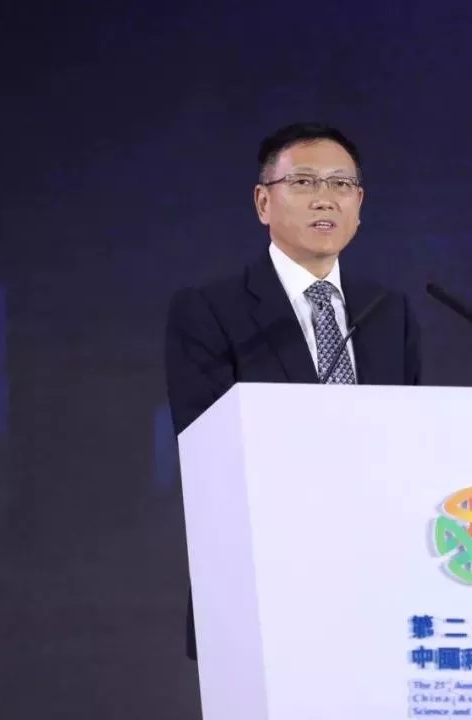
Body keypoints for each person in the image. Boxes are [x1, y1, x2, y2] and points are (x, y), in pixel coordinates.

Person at [164, 122, 423, 659]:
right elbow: (209, 449)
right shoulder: (210, 310)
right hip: (263, 581)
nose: (325, 198)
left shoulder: (388, 311)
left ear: (359, 204)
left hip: (378, 583)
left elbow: (412, 440)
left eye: (341, 184)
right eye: (303, 182)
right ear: (263, 202)